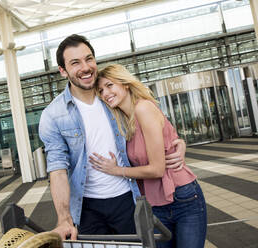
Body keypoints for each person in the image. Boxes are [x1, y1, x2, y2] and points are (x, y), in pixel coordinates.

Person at [38, 34, 185, 240]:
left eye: (89, 59)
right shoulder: (53, 114)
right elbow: (58, 170)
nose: (86, 67)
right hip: (87, 208)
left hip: (128, 199)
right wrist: (64, 218)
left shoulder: (111, 97)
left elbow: (155, 121)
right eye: (75, 62)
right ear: (63, 71)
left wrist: (178, 143)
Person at [89, 64, 207, 248]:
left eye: (110, 85)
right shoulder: (123, 122)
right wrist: (181, 144)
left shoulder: (143, 108)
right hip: (155, 204)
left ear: (125, 84)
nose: (105, 93)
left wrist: (116, 170)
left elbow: (158, 169)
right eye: (101, 90)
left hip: (182, 197)